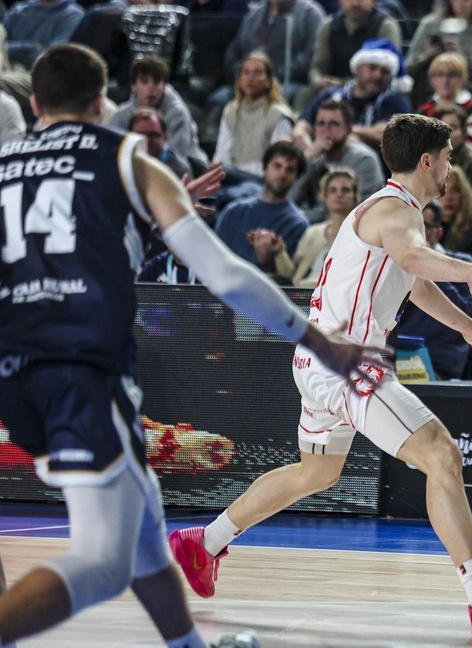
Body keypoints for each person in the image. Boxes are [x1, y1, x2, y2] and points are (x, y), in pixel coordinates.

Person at [0, 42, 375, 648]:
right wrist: (315, 337)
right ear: (102, 104)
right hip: (79, 370)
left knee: (144, 513)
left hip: (12, 373)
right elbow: (225, 275)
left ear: (35, 102)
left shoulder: (3, 163)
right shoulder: (127, 159)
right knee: (104, 563)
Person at [169, 115, 472, 638]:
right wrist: (468, 269)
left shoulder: (387, 211)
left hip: (317, 360)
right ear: (427, 160)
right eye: (449, 156)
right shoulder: (395, 213)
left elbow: (409, 280)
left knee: (315, 474)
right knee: (441, 453)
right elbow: (414, 256)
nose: (452, 166)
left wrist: (467, 328)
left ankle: (201, 543)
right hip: (347, 363)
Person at [393, 199, 472, 378]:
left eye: (423, 225)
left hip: (439, 361)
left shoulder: (465, 264)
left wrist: (430, 267)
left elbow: (468, 313)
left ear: (437, 232)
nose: (415, 232)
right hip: (397, 355)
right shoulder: (398, 264)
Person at [225, 0, 326, 97]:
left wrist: (268, 77)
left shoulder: (311, 14)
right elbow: (235, 51)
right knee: (219, 99)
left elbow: (310, 56)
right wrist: (246, 75)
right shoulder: (252, 14)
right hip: (248, 83)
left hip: (289, 83)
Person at [298, 40, 411, 150]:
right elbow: (299, 131)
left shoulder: (396, 101)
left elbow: (385, 133)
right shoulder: (331, 95)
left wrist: (344, 131)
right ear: (357, 69)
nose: (378, 75)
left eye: (384, 72)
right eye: (372, 68)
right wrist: (312, 155)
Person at [214, 140, 309, 270]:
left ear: (296, 177)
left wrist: (267, 259)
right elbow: (214, 256)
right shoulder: (234, 210)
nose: (282, 174)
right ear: (264, 168)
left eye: (290, 169)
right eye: (277, 166)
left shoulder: (298, 224)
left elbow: (289, 277)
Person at [290, 97, 384, 221]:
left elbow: (350, 212)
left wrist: (298, 218)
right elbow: (290, 199)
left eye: (334, 124)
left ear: (348, 129)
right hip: (316, 226)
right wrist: (307, 158)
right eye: (321, 123)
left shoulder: (364, 160)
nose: (326, 130)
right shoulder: (315, 158)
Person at [110, 55, 207, 172]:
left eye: (156, 82)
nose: (151, 88)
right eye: (144, 81)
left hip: (187, 170)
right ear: (134, 86)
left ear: (164, 86)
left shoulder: (178, 113)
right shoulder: (120, 116)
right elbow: (111, 153)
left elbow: (176, 158)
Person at [309, 0, 403, 94]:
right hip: (330, 90)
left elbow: (387, 74)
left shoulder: (386, 26)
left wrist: (343, 84)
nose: (355, 2)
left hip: (373, 93)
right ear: (340, 0)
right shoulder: (328, 26)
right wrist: (319, 82)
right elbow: (317, 67)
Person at [214, 52, 296, 177]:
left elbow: (278, 163)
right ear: (240, 79)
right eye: (246, 72)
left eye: (257, 73)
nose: (250, 78)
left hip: (262, 182)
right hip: (231, 178)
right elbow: (221, 155)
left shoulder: (279, 115)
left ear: (269, 81)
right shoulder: (230, 111)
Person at [282, 168, 358, 286]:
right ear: (325, 196)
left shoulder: (362, 234)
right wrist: (279, 253)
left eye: (345, 190)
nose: (339, 194)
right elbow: (291, 275)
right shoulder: (313, 232)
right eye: (333, 190)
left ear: (355, 197)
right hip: (303, 297)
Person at [417, 51, 472, 156]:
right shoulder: (425, 109)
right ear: (431, 80)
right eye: (440, 75)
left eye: (451, 75)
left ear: (462, 78)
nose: (445, 81)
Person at [431, 102, 472, 201]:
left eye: (453, 127)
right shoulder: (424, 162)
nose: (447, 132)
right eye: (443, 127)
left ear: (464, 133)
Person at [128, 106, 190, 178]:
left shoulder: (179, 169)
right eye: (140, 135)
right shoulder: (121, 162)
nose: (146, 141)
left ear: (165, 137)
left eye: (153, 135)